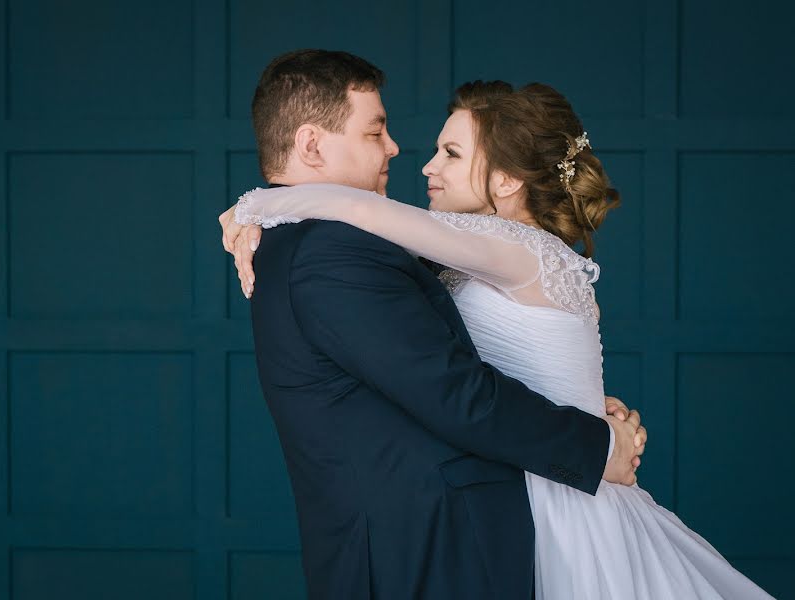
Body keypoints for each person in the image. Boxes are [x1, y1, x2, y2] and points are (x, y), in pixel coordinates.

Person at [221, 76, 774, 598]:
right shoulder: (467, 256)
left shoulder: (512, 245)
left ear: (507, 180)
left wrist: (255, 206)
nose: (425, 165)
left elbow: (355, 208)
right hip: (531, 477)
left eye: (452, 155)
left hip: (557, 496)